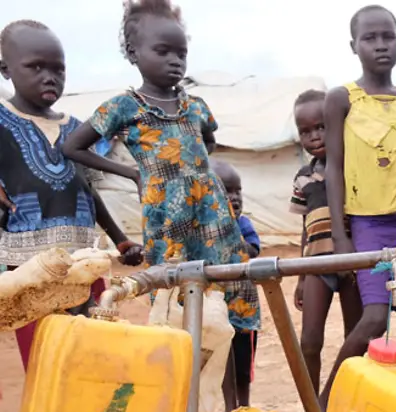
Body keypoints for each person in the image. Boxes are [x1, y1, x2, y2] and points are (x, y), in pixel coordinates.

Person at [62, 0, 261, 337]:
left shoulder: (196, 106)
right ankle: (185, 360)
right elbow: (72, 147)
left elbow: (207, 140)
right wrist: (134, 173)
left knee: (227, 281)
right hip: (166, 215)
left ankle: (234, 362)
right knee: (174, 290)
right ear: (133, 52)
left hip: (212, 210)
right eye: (163, 51)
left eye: (181, 53)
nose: (175, 60)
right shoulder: (123, 107)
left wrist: (197, 175)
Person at [319, 5, 396, 412]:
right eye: (370, 38)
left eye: (388, 37)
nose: (380, 45)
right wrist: (340, 236)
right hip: (369, 224)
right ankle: (324, 403)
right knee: (375, 316)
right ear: (353, 46)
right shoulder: (341, 99)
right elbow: (334, 168)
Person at [0, 20, 142, 370]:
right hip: (29, 267)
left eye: (58, 69)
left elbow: (87, 190)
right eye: (35, 67)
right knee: (44, 359)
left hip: (85, 262)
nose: (49, 77)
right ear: (5, 70)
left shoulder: (77, 129)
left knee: (93, 353)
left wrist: (121, 240)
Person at [289, 89, 363, 395]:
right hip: (317, 264)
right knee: (309, 341)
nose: (315, 137)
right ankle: (311, 406)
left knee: (355, 338)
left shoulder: (353, 168)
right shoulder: (303, 178)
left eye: (321, 127)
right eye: (305, 131)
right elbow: (306, 227)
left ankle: (347, 400)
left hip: (352, 262)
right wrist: (301, 276)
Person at [212, 159, 259, 411]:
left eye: (237, 191)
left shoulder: (243, 225)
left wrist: (230, 234)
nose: (234, 197)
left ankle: (245, 405)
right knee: (222, 357)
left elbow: (253, 250)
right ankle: (231, 408)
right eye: (226, 191)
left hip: (243, 307)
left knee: (243, 360)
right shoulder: (204, 229)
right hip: (215, 306)